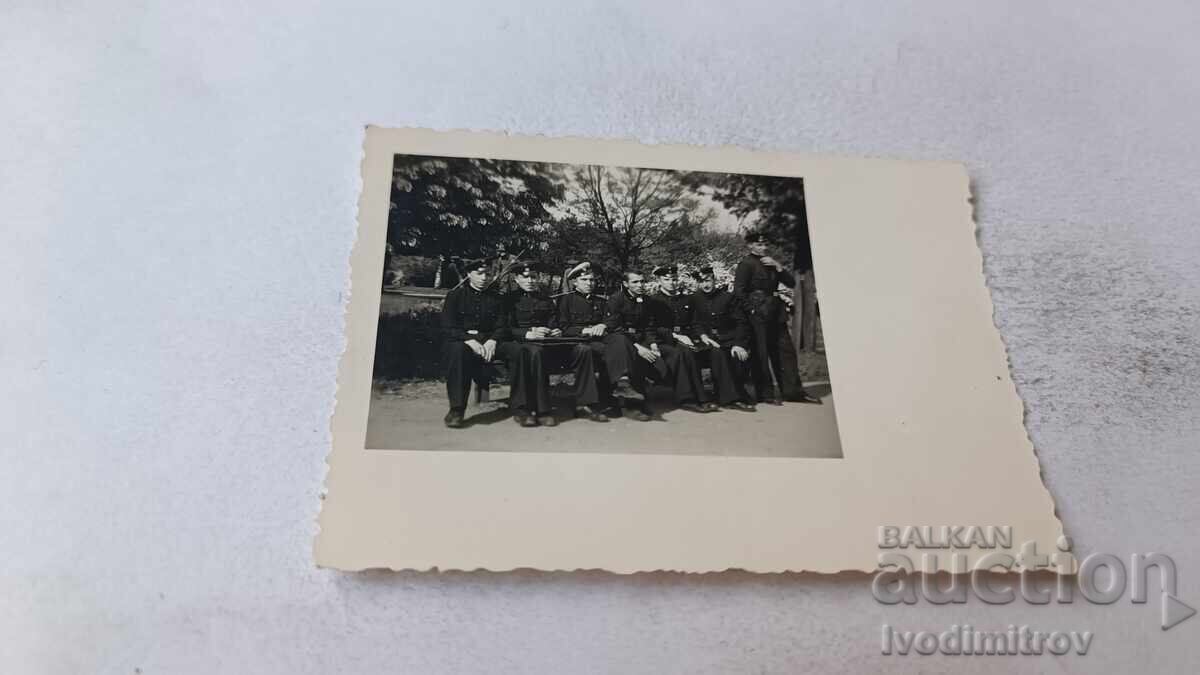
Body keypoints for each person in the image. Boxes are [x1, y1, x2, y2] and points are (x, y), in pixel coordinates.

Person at [503, 260, 608, 426]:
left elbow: (554, 322)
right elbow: (504, 329)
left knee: (583, 350)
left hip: (549, 343)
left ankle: (586, 403)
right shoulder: (508, 300)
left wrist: (555, 330)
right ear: (516, 279)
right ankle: (538, 409)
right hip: (525, 344)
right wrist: (528, 333)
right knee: (535, 353)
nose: (530, 281)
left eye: (533, 277)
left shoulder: (544, 299)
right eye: (525, 277)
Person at [734, 232, 822, 405]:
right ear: (750, 246)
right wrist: (751, 310)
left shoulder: (771, 263)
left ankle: (793, 392)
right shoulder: (745, 264)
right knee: (761, 354)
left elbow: (790, 282)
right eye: (758, 245)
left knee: (786, 352)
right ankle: (765, 394)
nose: (763, 247)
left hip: (776, 313)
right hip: (758, 314)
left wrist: (778, 267)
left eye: (764, 244)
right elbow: (739, 292)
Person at [439, 258, 509, 428]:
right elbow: (448, 326)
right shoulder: (455, 296)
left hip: (489, 343)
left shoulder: (497, 299)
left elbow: (503, 326)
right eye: (479, 273)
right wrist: (468, 340)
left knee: (513, 350)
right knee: (457, 351)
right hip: (462, 342)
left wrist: (493, 340)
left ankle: (523, 405)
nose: (484, 277)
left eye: (488, 273)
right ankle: (456, 410)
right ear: (468, 274)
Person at [556, 262, 624, 419]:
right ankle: (585, 403)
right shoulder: (566, 301)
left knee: (613, 349)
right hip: (574, 343)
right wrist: (583, 330)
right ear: (575, 282)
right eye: (585, 280)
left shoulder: (601, 301)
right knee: (584, 351)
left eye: (592, 280)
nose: (589, 283)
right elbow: (562, 327)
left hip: (597, 341)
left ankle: (606, 395)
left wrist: (603, 325)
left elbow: (613, 319)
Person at [649, 265, 719, 412]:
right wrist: (675, 336)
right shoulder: (653, 301)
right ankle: (691, 399)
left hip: (688, 338)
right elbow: (653, 327)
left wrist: (702, 336)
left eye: (674, 279)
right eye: (667, 279)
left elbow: (695, 322)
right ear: (659, 280)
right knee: (685, 352)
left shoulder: (686, 299)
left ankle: (722, 395)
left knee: (715, 350)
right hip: (665, 341)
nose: (671, 283)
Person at [690, 266, 757, 411]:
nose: (705, 285)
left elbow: (741, 322)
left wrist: (739, 344)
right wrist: (702, 335)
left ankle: (738, 392)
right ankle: (731, 398)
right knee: (716, 353)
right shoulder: (695, 298)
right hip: (707, 341)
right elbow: (695, 322)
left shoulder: (727, 297)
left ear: (714, 279)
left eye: (708, 280)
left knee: (737, 356)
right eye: (701, 282)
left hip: (728, 340)